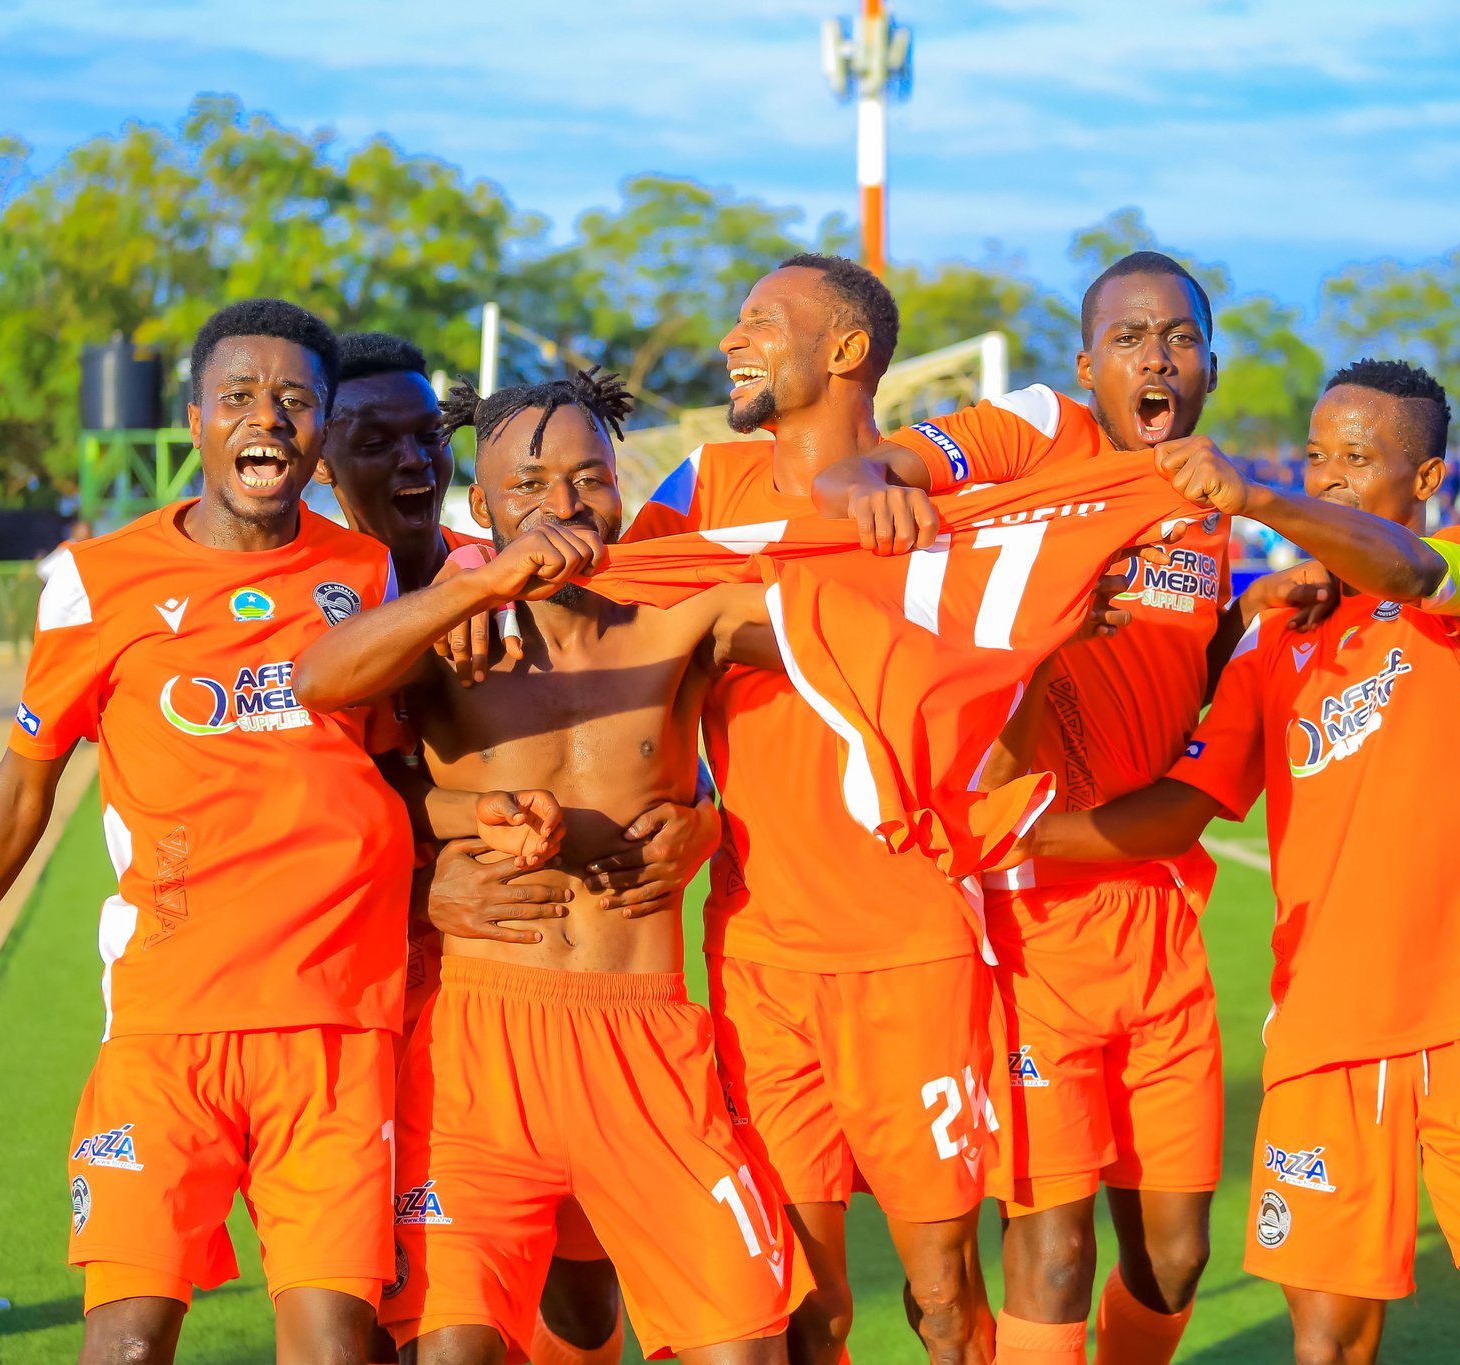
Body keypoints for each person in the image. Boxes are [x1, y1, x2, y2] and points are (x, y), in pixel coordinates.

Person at [0, 300, 560, 1365]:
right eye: (239, 398)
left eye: (294, 401)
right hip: (170, 1023)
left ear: (315, 432)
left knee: (334, 1346)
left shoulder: (365, 579)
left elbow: (393, 775)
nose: (266, 417)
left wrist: (460, 836)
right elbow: (25, 786)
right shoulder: (98, 581)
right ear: (195, 420)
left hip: (334, 1025)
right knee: (126, 1344)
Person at [1001, 360, 1460, 1365]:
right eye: (1316, 457)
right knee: (1327, 1349)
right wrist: (1010, 834)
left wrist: (1263, 500)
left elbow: (1410, 572)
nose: (1330, 476)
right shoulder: (1276, 635)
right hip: (1322, 1041)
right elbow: (1182, 811)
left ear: (1426, 478)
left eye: (1356, 460)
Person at [809, 251, 1291, 1365]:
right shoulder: (1037, 429)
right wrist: (888, 511)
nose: (1154, 357)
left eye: (1176, 338)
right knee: (1053, 1250)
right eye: (1127, 339)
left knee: (1173, 1259)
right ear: (1086, 363)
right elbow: (860, 472)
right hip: (1030, 917)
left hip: (1160, 912)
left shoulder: (1207, 504)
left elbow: (1182, 683)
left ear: (1208, 367)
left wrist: (1244, 617)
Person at [294, 369, 804, 1364]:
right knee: (454, 1351)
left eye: (589, 478)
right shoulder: (449, 627)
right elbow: (320, 683)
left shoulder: (684, 613)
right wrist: (479, 582)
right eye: (529, 487)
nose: (564, 509)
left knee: (739, 1347)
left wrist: (708, 811)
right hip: (479, 1048)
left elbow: (846, 645)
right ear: (478, 509)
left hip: (647, 1038)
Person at [611, 255, 1001, 1364]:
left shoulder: (936, 514)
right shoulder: (700, 488)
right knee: (805, 1307)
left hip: (906, 948)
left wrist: (758, 622)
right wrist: (688, 796)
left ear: (842, 352)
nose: (732, 340)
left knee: (940, 1300)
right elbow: (629, 652)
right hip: (757, 953)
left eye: (759, 323)